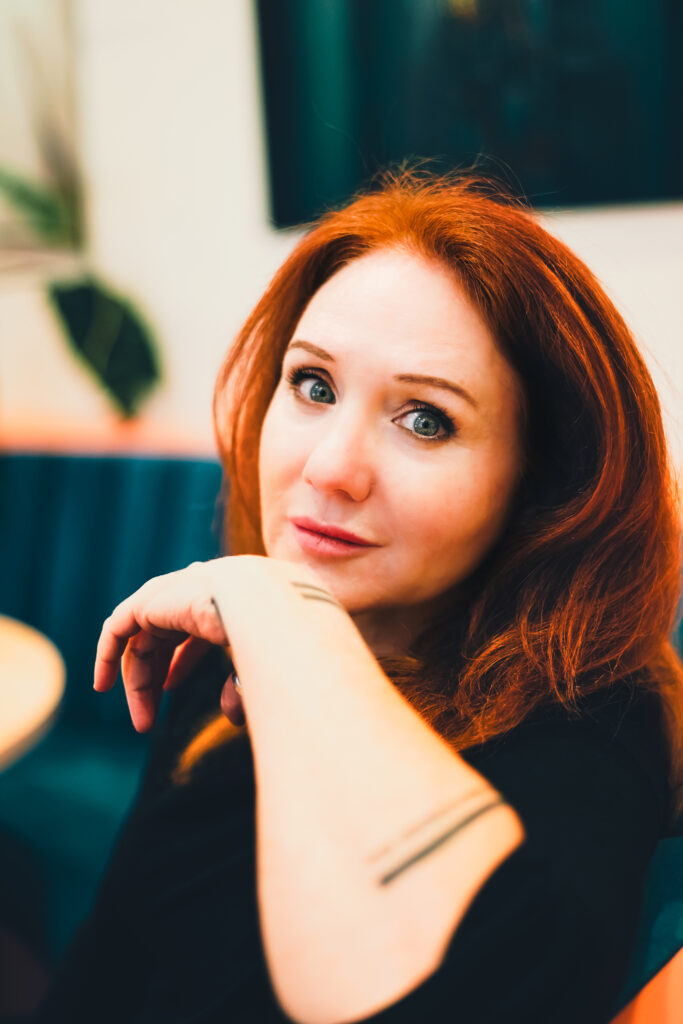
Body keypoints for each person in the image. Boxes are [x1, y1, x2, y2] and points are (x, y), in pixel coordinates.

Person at [25, 169, 683, 1024]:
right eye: (313, 385)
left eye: (426, 420)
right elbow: (108, 966)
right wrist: (274, 619)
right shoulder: (233, 643)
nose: (330, 467)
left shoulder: (593, 722)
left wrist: (288, 624)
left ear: (539, 485)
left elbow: (475, 975)